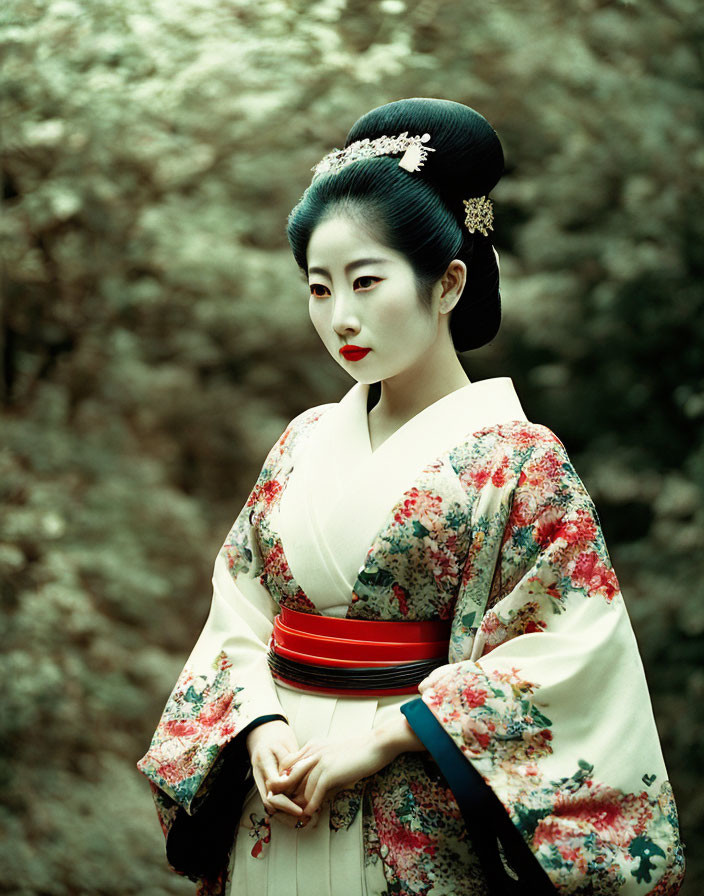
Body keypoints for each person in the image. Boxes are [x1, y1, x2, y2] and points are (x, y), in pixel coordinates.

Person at [137, 98, 685, 896]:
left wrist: (391, 735)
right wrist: (256, 723)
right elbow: (240, 611)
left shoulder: (520, 461)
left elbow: (567, 654)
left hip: (416, 801)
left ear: (448, 281)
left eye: (366, 281)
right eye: (319, 289)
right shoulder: (301, 440)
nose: (341, 317)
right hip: (276, 787)